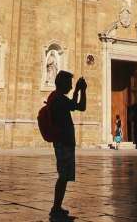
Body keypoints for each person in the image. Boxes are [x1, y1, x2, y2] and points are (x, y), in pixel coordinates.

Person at [48, 71, 86, 220]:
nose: (71, 86)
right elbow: (80, 106)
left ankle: (57, 207)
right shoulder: (59, 99)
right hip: (64, 143)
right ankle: (55, 208)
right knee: (63, 177)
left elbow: (72, 106)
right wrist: (83, 90)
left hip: (62, 142)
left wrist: (77, 90)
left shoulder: (56, 98)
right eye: (69, 83)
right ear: (63, 83)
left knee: (63, 177)